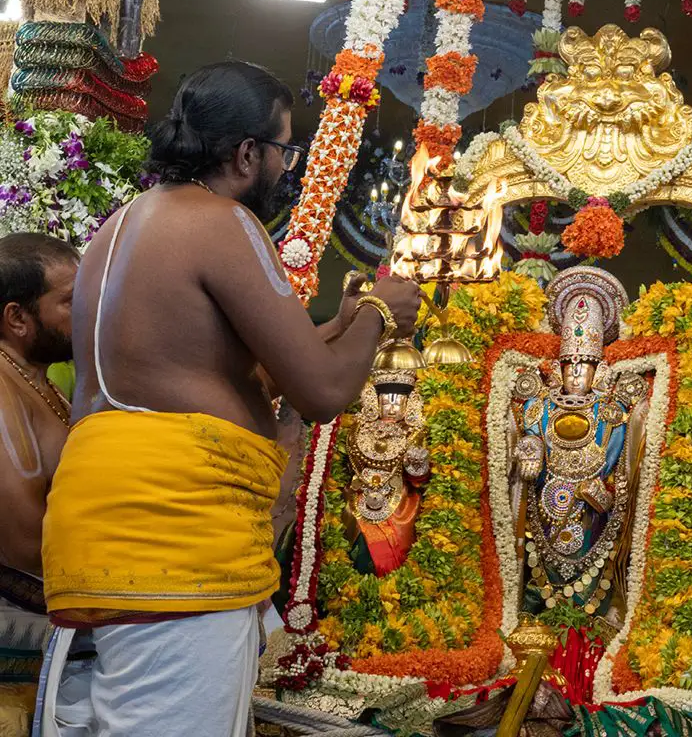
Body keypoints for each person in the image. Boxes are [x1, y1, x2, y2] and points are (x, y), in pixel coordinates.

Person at [36, 61, 421, 737]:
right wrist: (381, 317)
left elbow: (208, 371)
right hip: (173, 541)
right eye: (284, 150)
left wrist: (335, 325)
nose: (287, 167)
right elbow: (324, 392)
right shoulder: (221, 223)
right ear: (247, 153)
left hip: (109, 536)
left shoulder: (118, 229)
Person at [0, 235, 77, 734]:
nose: (90, 310)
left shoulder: (41, 382)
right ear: (18, 318)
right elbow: (25, 545)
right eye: (71, 300)